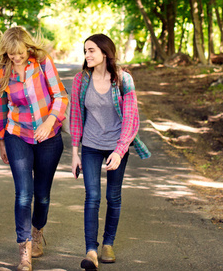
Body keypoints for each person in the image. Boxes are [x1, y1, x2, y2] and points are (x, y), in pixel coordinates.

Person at [70, 33, 151, 270]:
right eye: (85, 51)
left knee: (113, 196)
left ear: (105, 52)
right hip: (91, 146)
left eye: (91, 50)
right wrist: (75, 153)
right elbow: (75, 117)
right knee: (92, 197)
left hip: (118, 144)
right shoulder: (80, 80)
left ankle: (108, 244)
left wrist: (120, 149)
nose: (87, 55)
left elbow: (131, 118)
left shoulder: (123, 80)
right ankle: (91, 250)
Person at [0, 26, 68, 271]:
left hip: (49, 137)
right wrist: (2, 140)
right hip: (17, 136)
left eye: (21, 52)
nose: (16, 57)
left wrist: (49, 122)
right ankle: (24, 248)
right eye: (12, 53)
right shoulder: (0, 73)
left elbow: (61, 96)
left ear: (28, 47)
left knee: (42, 194)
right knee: (23, 193)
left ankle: (37, 231)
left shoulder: (43, 63)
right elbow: (0, 108)